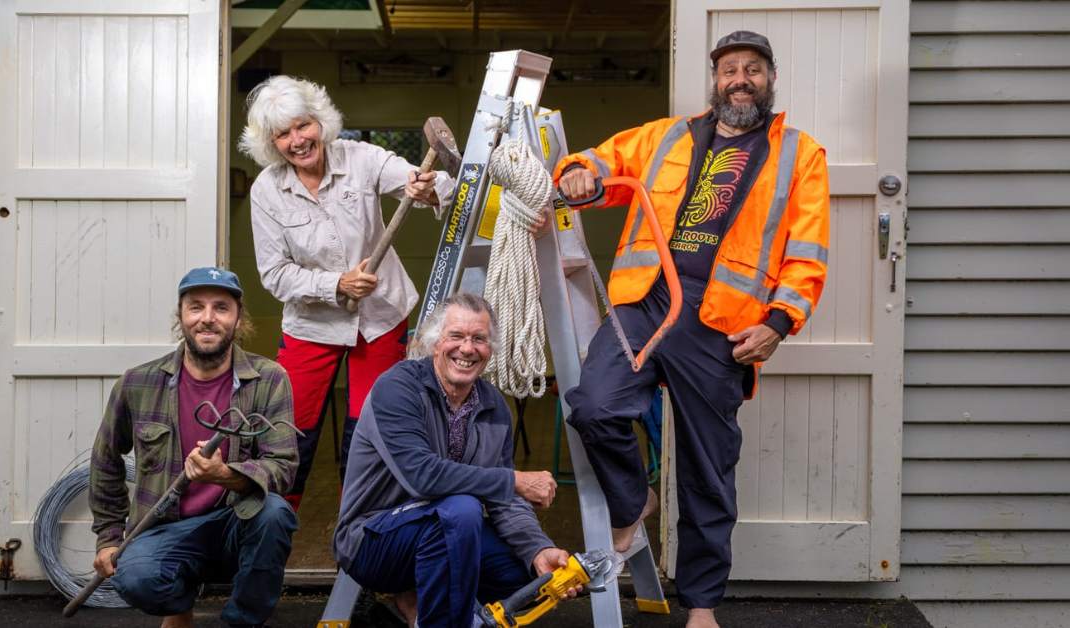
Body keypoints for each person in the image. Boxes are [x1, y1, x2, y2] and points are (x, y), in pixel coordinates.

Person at [554, 31, 830, 628]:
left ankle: (702, 605)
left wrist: (779, 324)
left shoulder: (799, 154)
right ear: (715, 79)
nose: (740, 78)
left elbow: (807, 252)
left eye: (752, 69)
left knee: (707, 470)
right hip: (646, 299)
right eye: (730, 68)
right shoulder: (667, 135)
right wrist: (576, 171)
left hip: (721, 322)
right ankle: (636, 502)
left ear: (770, 80)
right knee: (595, 406)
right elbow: (602, 162)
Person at [240, 75, 456, 509]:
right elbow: (275, 274)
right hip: (311, 324)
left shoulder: (361, 158)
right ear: (271, 143)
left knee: (370, 431)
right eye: (283, 134)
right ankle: (273, 530)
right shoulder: (267, 190)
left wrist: (425, 187)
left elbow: (436, 184)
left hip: (379, 317)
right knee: (288, 432)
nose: (298, 141)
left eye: (303, 125)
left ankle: (359, 532)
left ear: (320, 121)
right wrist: (335, 284)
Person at [334, 293, 578, 628]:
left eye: (479, 339)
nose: (467, 349)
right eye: (456, 336)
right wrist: (514, 480)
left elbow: (505, 502)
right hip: (374, 538)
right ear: (435, 343)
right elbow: (422, 476)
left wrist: (538, 550)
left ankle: (431, 604)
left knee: (530, 580)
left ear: (489, 350)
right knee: (462, 509)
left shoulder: (494, 407)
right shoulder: (398, 388)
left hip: (446, 530)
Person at [89, 267, 299, 628]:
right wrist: (108, 538)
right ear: (181, 316)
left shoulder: (268, 380)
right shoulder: (138, 383)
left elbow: (283, 468)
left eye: (221, 308)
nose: (207, 318)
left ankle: (240, 621)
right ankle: (179, 605)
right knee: (135, 577)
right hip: (164, 530)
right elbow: (106, 460)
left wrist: (227, 475)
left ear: (237, 318)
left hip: (234, 526)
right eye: (196, 307)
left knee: (275, 513)